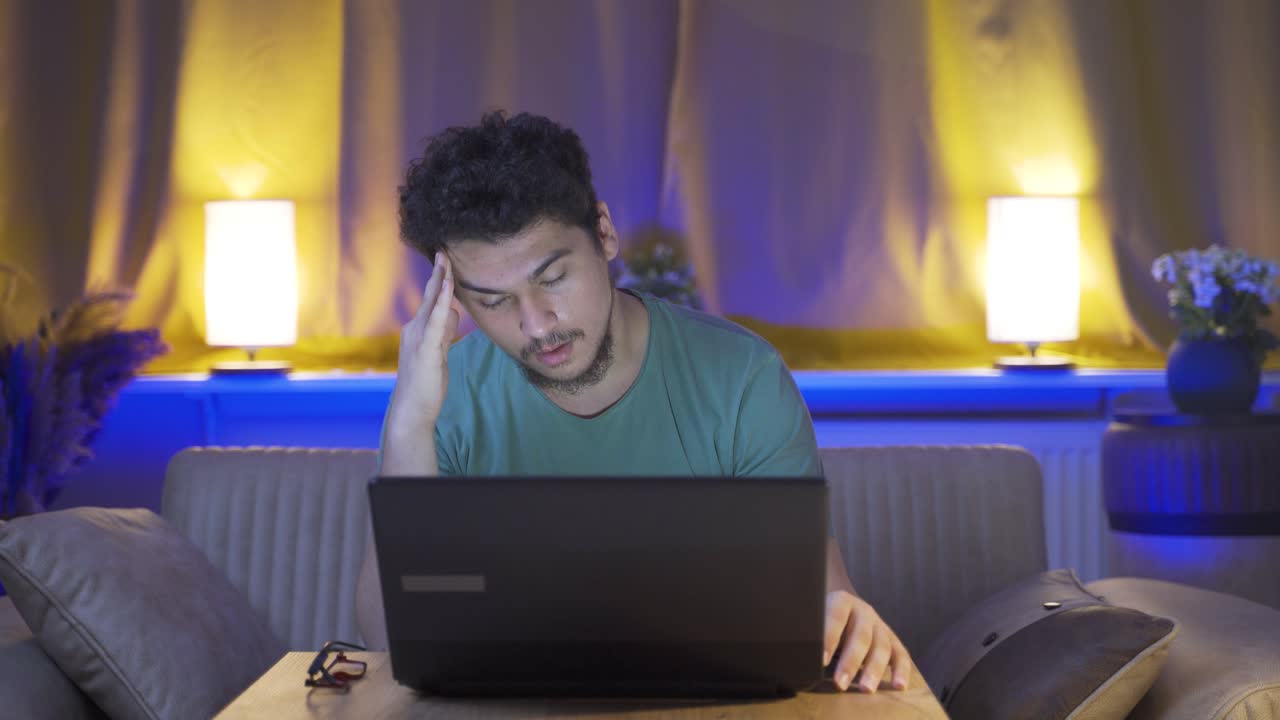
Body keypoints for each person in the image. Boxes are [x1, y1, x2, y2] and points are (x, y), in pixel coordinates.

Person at [355, 110, 915, 694]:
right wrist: (410, 422)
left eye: (552, 279)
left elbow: (823, 602)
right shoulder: (442, 394)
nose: (535, 323)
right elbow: (386, 641)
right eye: (493, 301)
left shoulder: (741, 378)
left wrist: (849, 625)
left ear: (603, 232)